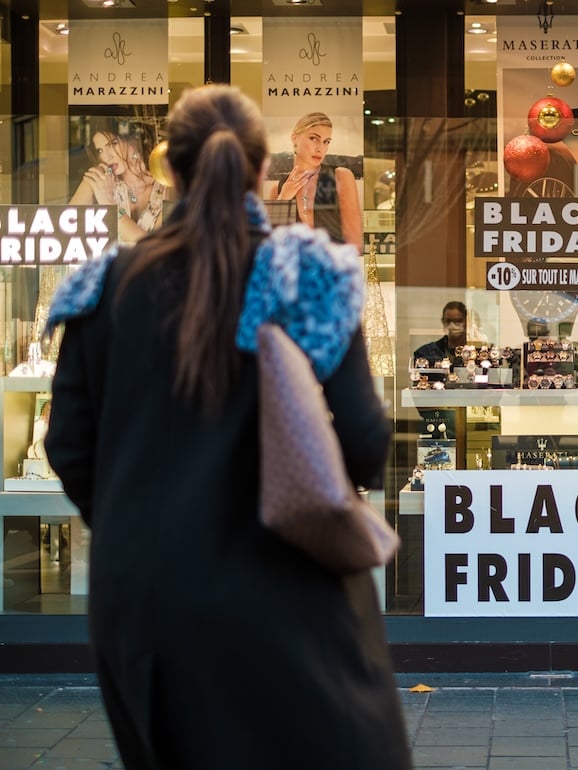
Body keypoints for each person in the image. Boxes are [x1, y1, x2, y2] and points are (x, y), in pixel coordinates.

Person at [43, 85, 411, 769]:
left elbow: (67, 446)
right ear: (263, 171)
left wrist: (137, 521)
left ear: (168, 173)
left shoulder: (102, 287)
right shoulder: (307, 271)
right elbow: (363, 447)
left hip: (142, 598)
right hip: (287, 593)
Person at [264, 112, 363, 248]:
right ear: (294, 139)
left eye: (326, 141)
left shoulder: (341, 177)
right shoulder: (279, 189)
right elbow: (272, 245)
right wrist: (283, 198)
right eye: (313, 138)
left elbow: (354, 242)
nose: (320, 148)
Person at [69, 119, 167, 243]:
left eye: (112, 144)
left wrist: (109, 204)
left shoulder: (164, 187)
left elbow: (149, 246)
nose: (106, 157)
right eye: (100, 150)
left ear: (135, 139)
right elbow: (66, 226)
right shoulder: (100, 179)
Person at [413, 300, 468, 366]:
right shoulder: (426, 353)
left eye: (457, 321)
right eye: (448, 321)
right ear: (443, 322)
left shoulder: (478, 352)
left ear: (467, 322)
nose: (452, 325)